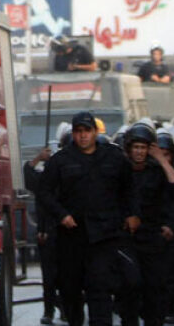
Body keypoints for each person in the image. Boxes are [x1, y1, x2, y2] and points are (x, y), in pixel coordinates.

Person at [38, 111, 141, 326]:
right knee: (70, 288)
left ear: (95, 132)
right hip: (72, 236)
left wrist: (132, 214)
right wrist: (61, 214)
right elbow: (44, 192)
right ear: (73, 134)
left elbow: (130, 187)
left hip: (104, 235)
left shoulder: (113, 157)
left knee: (100, 287)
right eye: (78, 132)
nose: (83, 136)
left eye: (87, 131)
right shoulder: (61, 161)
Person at [126, 122, 174, 326]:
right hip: (128, 237)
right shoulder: (121, 170)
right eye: (136, 147)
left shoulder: (157, 170)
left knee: (155, 288)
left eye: (143, 148)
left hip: (152, 238)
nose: (139, 152)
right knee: (131, 284)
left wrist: (160, 158)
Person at [25, 143, 61, 325]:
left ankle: (68, 307)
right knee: (49, 276)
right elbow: (27, 174)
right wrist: (39, 158)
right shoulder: (43, 180)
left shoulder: (71, 177)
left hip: (68, 232)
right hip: (48, 233)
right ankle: (49, 310)